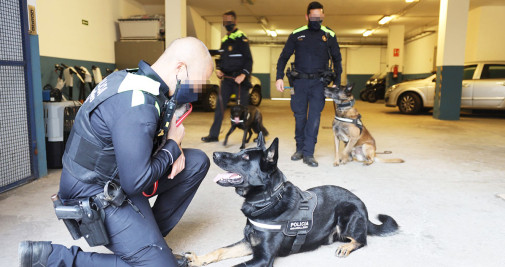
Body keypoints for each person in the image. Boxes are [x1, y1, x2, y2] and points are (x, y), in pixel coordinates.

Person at [18, 37, 214, 267]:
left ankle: (147, 244)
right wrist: (172, 147)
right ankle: (51, 257)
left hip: (118, 175)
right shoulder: (138, 105)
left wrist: (174, 146)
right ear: (180, 68)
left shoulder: (135, 79)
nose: (197, 91)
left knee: (196, 162)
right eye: (198, 82)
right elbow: (135, 181)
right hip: (92, 191)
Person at [275, 1, 342, 167]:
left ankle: (309, 153)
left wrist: (337, 82)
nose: (316, 20)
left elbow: (337, 59)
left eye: (319, 17)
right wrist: (279, 77)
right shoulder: (297, 34)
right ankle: (299, 148)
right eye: (313, 17)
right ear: (307, 16)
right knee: (299, 117)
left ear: (323, 16)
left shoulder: (329, 35)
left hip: (319, 83)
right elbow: (284, 57)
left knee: (314, 118)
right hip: (299, 82)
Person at [201, 10, 253, 143]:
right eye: (225, 21)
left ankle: (250, 132)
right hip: (227, 80)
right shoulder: (225, 40)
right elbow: (222, 59)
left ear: (235, 21)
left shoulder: (241, 38)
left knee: (243, 109)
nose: (227, 24)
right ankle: (213, 135)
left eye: (229, 21)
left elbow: (249, 59)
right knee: (220, 106)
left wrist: (244, 74)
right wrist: (219, 69)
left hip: (240, 80)